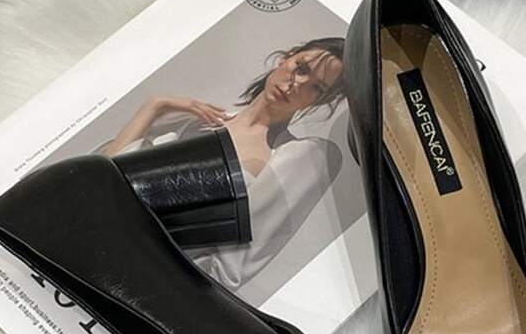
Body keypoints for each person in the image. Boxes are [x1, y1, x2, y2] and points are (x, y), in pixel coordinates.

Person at [98, 38, 346, 292]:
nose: (298, 85)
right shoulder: (192, 122)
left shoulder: (288, 159)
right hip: (98, 239)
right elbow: (102, 179)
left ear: (318, 101)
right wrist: (155, 106)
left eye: (316, 88)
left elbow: (229, 270)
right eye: (301, 68)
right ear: (285, 58)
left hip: (141, 278)